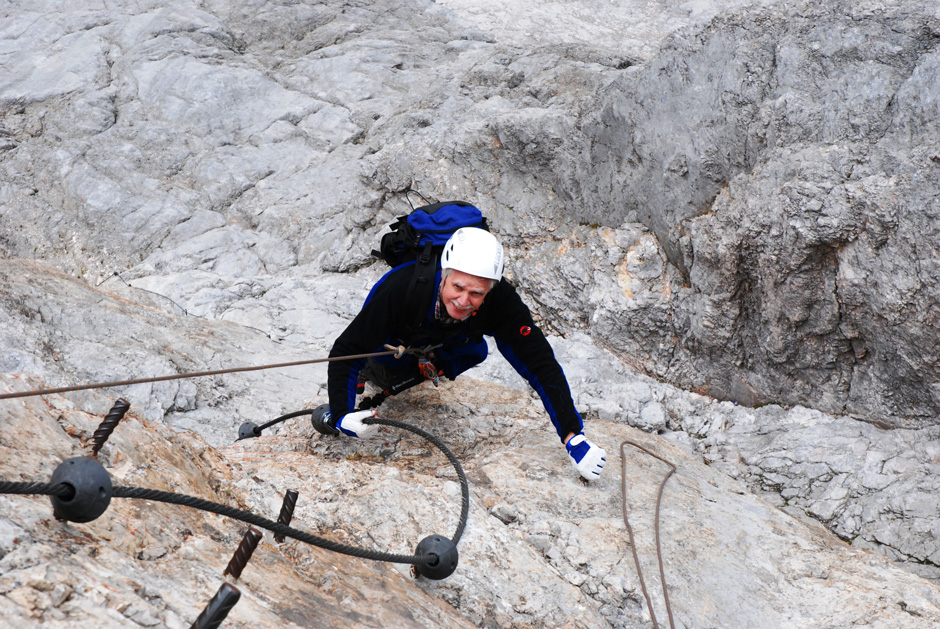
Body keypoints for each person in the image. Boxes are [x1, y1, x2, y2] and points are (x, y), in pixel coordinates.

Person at [312, 226, 607, 481]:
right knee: (378, 357)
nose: (464, 300)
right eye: (458, 287)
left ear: (490, 290)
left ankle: (419, 370)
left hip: (441, 342)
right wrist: (342, 413)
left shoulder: (501, 302)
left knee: (475, 351)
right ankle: (372, 373)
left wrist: (573, 436)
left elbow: (540, 364)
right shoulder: (403, 288)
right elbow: (348, 349)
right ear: (445, 273)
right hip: (392, 343)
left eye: (476, 293)